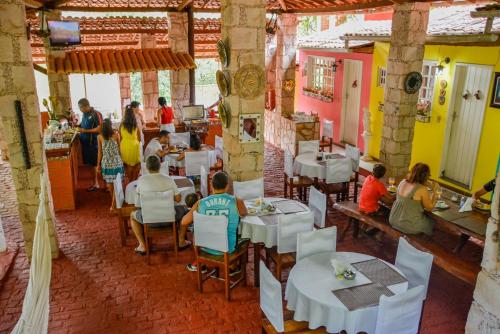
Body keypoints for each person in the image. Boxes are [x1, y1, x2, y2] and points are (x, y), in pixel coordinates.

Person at [178, 171, 247, 272]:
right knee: (241, 234)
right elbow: (244, 213)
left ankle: (200, 263)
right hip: (227, 249)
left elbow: (184, 222)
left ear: (211, 185)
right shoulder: (237, 201)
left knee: (196, 231)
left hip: (205, 247)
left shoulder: (200, 203)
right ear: (227, 186)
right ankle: (232, 267)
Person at [130, 155, 182, 254]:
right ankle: (181, 240)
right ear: (160, 166)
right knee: (185, 211)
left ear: (147, 167)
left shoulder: (141, 180)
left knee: (132, 215)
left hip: (148, 220)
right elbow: (178, 199)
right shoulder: (168, 179)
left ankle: (142, 245)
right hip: (170, 219)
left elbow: (137, 205)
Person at [389, 163, 439, 236]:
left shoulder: (403, 182)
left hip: (393, 218)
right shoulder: (422, 189)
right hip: (408, 224)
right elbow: (429, 208)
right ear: (426, 176)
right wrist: (435, 194)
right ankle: (422, 244)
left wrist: (425, 183)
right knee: (432, 223)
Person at [78, 98, 103, 191]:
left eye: (80, 107)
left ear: (85, 106)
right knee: (90, 165)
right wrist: (78, 127)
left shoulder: (96, 114)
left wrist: (85, 131)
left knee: (97, 164)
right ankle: (95, 183)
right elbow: (83, 125)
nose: (80, 109)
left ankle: (106, 184)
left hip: (94, 144)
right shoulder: (84, 114)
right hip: (85, 144)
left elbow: (100, 128)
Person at [97, 118, 124, 197]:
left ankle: (113, 201)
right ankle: (118, 200)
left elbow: (99, 153)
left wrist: (98, 165)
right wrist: (122, 160)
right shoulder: (116, 135)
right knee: (118, 183)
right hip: (117, 161)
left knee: (110, 184)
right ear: (111, 126)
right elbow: (119, 149)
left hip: (106, 162)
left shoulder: (99, 137)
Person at [120, 105, 141, 182]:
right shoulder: (135, 125)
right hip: (134, 145)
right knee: (137, 165)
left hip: (125, 145)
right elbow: (139, 138)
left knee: (128, 165)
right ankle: (134, 180)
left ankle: (130, 181)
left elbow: (121, 137)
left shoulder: (121, 125)